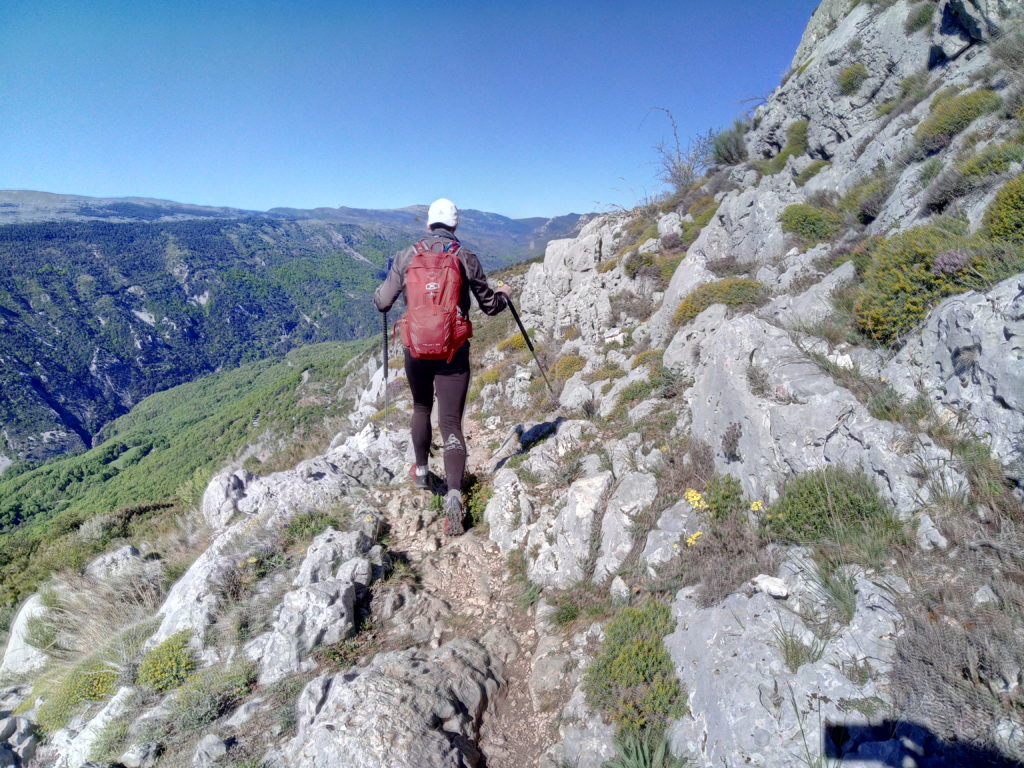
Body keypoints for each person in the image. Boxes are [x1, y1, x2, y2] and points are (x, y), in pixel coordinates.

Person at [373, 198, 511, 535]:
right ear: (455, 225)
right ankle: (453, 495)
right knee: (451, 422)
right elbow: (490, 306)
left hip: (416, 350)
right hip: (453, 352)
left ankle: (421, 473)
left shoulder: (406, 256)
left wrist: (388, 285)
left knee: (421, 407)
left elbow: (382, 302)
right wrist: (505, 292)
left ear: (428, 225)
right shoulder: (465, 257)